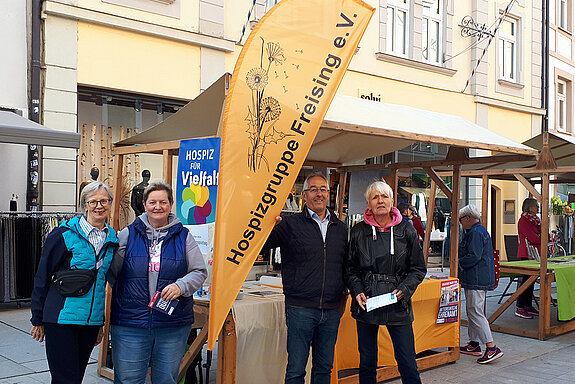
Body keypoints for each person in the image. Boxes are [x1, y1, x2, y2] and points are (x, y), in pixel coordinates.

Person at [108, 180, 207, 384]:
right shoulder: (127, 234)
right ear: (144, 205)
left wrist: (181, 286)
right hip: (130, 322)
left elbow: (199, 271)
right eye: (152, 202)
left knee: (166, 380)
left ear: (171, 205)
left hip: (172, 324)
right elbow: (110, 273)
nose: (157, 207)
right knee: (128, 380)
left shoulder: (184, 237)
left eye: (163, 202)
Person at [264, 172, 348, 384]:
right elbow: (262, 244)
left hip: (331, 310)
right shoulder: (289, 224)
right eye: (313, 189)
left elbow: (348, 266)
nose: (319, 194)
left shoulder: (341, 228)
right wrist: (267, 225)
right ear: (304, 196)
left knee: (323, 369)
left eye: (323, 189)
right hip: (300, 309)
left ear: (329, 194)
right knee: (295, 371)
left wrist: (345, 296)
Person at [30, 182, 118, 383]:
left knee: (75, 378)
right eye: (93, 201)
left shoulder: (112, 238)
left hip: (90, 322)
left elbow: (101, 282)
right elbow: (42, 276)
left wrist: (100, 323)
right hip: (62, 320)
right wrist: (38, 318)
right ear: (84, 205)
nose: (99, 206)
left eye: (104, 201)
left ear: (110, 204)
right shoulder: (64, 234)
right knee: (65, 379)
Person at [345, 180, 426, 384]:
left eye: (384, 196)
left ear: (392, 201)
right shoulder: (357, 232)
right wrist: (357, 290)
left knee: (407, 362)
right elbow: (350, 268)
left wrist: (404, 290)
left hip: (398, 302)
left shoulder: (407, 230)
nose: (380, 201)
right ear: (369, 204)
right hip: (367, 300)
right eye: (375, 197)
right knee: (367, 363)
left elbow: (418, 268)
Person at [458, 205, 503, 364]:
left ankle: (491, 347)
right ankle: (474, 344)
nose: (460, 223)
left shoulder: (475, 233)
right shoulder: (479, 230)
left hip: (476, 278)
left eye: (461, 219)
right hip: (477, 277)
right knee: (473, 311)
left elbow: (473, 256)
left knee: (475, 312)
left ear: (468, 218)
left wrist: (458, 263)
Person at [515, 198, 541, 319]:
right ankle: (520, 307)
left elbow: (541, 234)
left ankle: (527, 305)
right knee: (526, 281)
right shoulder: (524, 221)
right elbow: (533, 237)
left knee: (531, 281)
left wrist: (541, 236)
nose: (538, 207)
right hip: (527, 253)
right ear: (530, 207)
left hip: (536, 254)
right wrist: (543, 238)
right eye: (536, 205)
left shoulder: (536, 221)